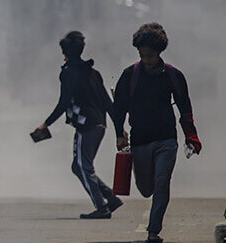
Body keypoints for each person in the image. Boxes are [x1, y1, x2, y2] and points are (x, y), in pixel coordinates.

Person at [113, 23, 201, 243]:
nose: (146, 60)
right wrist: (118, 133)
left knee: (162, 181)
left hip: (166, 140)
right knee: (145, 189)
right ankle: (152, 218)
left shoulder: (173, 76)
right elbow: (118, 107)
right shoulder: (129, 75)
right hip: (140, 140)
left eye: (149, 56)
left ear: (159, 52)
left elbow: (185, 108)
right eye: (142, 56)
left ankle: (153, 232)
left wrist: (191, 137)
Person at [33, 31, 123, 219]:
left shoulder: (68, 73)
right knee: (79, 166)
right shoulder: (93, 73)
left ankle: (101, 207)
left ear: (64, 51)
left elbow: (64, 102)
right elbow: (108, 103)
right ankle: (110, 198)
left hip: (86, 126)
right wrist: (119, 129)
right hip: (100, 124)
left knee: (84, 166)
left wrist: (45, 124)